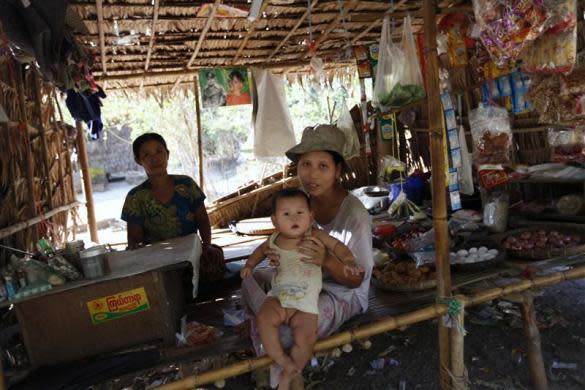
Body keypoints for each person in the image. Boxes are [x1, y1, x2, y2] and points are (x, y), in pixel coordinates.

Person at [240, 124, 373, 388]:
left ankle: (284, 376)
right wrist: (282, 257)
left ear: (337, 170)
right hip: (303, 283)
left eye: (322, 166)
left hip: (342, 292)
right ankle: (260, 331)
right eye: (305, 164)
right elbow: (281, 243)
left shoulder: (355, 216)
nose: (312, 174)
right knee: (250, 276)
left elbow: (356, 281)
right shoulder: (302, 204)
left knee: (284, 333)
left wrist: (326, 260)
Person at [241, 188, 361, 389]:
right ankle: (282, 361)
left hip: (306, 302)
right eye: (286, 214)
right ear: (274, 221)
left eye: (300, 212)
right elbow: (259, 252)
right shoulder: (273, 240)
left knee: (306, 337)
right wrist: (249, 266)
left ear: (311, 216)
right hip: (278, 297)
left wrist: (348, 259)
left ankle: (291, 372)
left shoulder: (314, 235)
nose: (294, 218)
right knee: (264, 318)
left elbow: (337, 246)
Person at [121, 132, 225, 283]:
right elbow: (135, 239)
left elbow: (202, 218)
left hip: (191, 254)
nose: (154, 158)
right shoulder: (135, 197)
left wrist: (207, 246)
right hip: (159, 262)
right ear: (138, 160)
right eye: (146, 154)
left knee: (214, 257)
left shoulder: (186, 184)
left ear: (167, 154)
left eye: (159, 151)